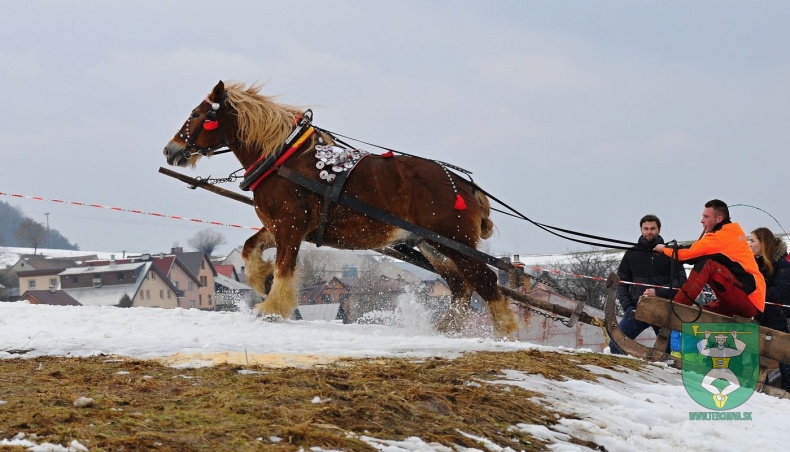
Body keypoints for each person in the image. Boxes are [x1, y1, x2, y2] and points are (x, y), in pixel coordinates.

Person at [654, 199, 765, 318]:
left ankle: (678, 307)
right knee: (703, 312)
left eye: (706, 217)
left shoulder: (720, 237)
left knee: (707, 264)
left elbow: (687, 255)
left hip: (747, 297)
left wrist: (663, 249)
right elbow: (694, 250)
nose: (702, 221)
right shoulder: (731, 232)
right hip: (747, 298)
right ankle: (687, 311)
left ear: (719, 219)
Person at [610, 214, 687, 355]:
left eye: (652, 228)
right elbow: (622, 284)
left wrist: (657, 293)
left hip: (664, 310)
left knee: (669, 354)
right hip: (638, 309)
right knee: (616, 344)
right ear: (641, 230)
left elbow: (681, 282)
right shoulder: (632, 254)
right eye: (646, 228)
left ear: (659, 230)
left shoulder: (669, 253)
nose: (649, 232)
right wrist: (628, 307)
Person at [748, 227, 790, 391]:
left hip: (781, 319)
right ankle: (762, 392)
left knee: (784, 359)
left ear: (763, 243)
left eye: (753, 240)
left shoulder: (783, 264)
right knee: (757, 355)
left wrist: (755, 292)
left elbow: (779, 291)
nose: (750, 244)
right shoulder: (756, 263)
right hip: (762, 316)